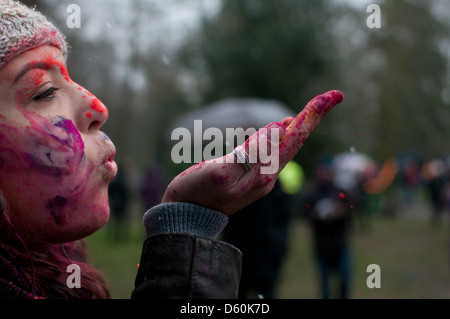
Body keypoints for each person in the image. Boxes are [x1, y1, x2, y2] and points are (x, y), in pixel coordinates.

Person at [0, 0, 344, 299]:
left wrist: (187, 219)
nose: (98, 107)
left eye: (69, 80)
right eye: (44, 91)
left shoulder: (52, 270)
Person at [303, 163, 353, 299]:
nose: (323, 175)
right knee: (324, 283)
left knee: (344, 279)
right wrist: (316, 215)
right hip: (321, 245)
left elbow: (351, 211)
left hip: (340, 243)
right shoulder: (313, 194)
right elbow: (305, 214)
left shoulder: (339, 192)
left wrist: (341, 212)